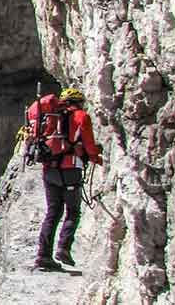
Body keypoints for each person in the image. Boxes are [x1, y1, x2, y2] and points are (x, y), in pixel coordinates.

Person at [34, 87, 103, 270]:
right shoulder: (82, 116)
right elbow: (89, 145)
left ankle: (43, 256)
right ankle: (63, 249)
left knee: (53, 212)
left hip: (49, 170)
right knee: (72, 211)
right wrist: (96, 157)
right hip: (70, 169)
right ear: (78, 102)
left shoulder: (50, 117)